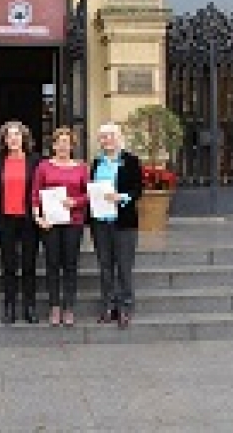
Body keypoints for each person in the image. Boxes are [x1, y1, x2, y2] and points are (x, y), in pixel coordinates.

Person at [31, 127, 89, 327]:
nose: (63, 145)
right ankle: (54, 306)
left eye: (67, 142)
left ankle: (69, 306)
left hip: (74, 222)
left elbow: (88, 194)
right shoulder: (43, 166)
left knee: (70, 264)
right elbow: (36, 193)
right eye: (59, 142)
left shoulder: (81, 167)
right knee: (52, 263)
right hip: (50, 222)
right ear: (53, 146)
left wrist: (76, 202)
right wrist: (37, 216)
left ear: (73, 146)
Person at [90, 122, 143, 329]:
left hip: (124, 222)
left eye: (111, 135)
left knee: (124, 266)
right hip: (101, 222)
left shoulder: (130, 161)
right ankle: (107, 307)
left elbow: (138, 189)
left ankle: (125, 308)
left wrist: (120, 197)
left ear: (119, 137)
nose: (107, 140)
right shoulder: (96, 163)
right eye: (103, 137)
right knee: (105, 266)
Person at [0, 121, 41, 325]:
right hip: (5, 219)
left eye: (17, 135)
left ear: (24, 139)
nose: (13, 139)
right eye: (9, 135)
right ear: (4, 140)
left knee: (29, 265)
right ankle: (10, 306)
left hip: (29, 220)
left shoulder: (36, 161)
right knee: (9, 265)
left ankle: (29, 306)